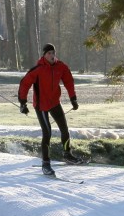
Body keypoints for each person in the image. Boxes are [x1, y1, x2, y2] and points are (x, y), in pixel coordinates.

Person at [18, 43, 83, 176]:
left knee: (64, 130)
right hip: (41, 106)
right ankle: (46, 164)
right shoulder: (38, 69)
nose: (52, 56)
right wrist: (23, 103)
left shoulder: (61, 67)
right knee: (47, 133)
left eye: (53, 53)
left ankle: (67, 154)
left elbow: (69, 81)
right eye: (49, 53)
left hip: (54, 103)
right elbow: (24, 84)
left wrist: (73, 99)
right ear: (44, 55)